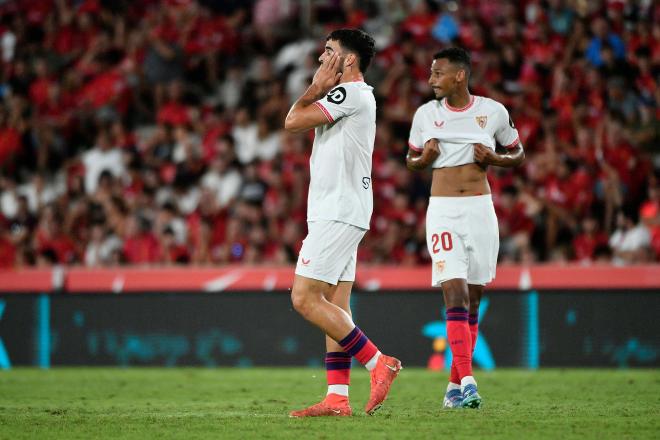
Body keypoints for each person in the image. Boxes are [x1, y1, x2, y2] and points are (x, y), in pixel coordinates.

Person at [284, 28, 401, 417]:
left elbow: (292, 121)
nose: (322, 59)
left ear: (348, 60)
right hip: (341, 208)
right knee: (336, 304)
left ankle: (377, 362)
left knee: (304, 298)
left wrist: (314, 88)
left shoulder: (348, 93)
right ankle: (337, 397)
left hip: (338, 210)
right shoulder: (356, 97)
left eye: (329, 52)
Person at [406, 47, 525, 409]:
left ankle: (453, 388)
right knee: (453, 292)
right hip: (442, 211)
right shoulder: (426, 114)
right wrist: (422, 160)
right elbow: (410, 159)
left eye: (437, 73)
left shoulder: (492, 112)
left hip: (479, 210)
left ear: (460, 75)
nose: (431, 80)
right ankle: (470, 382)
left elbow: (518, 152)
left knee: (473, 299)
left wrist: (496, 159)